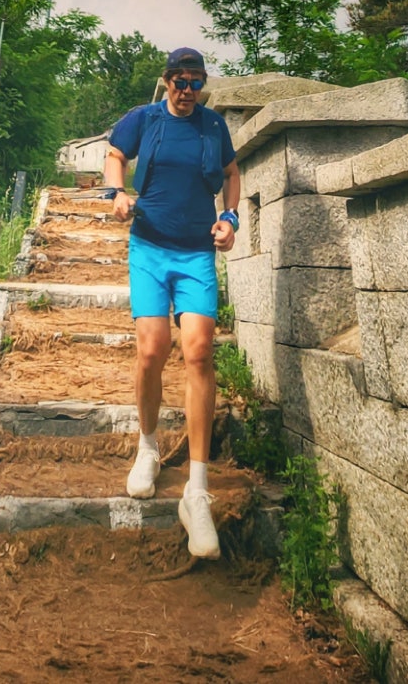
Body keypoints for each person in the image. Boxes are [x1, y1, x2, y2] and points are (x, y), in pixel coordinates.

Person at [103, 47, 240, 559]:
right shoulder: (144, 119)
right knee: (152, 348)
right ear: (166, 82)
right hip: (150, 248)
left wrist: (231, 220)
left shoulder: (212, 126)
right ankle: (148, 447)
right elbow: (116, 155)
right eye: (179, 81)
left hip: (197, 253)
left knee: (200, 350)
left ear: (203, 84)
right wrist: (115, 194)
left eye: (195, 81)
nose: (187, 89)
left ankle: (197, 491)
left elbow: (231, 174)